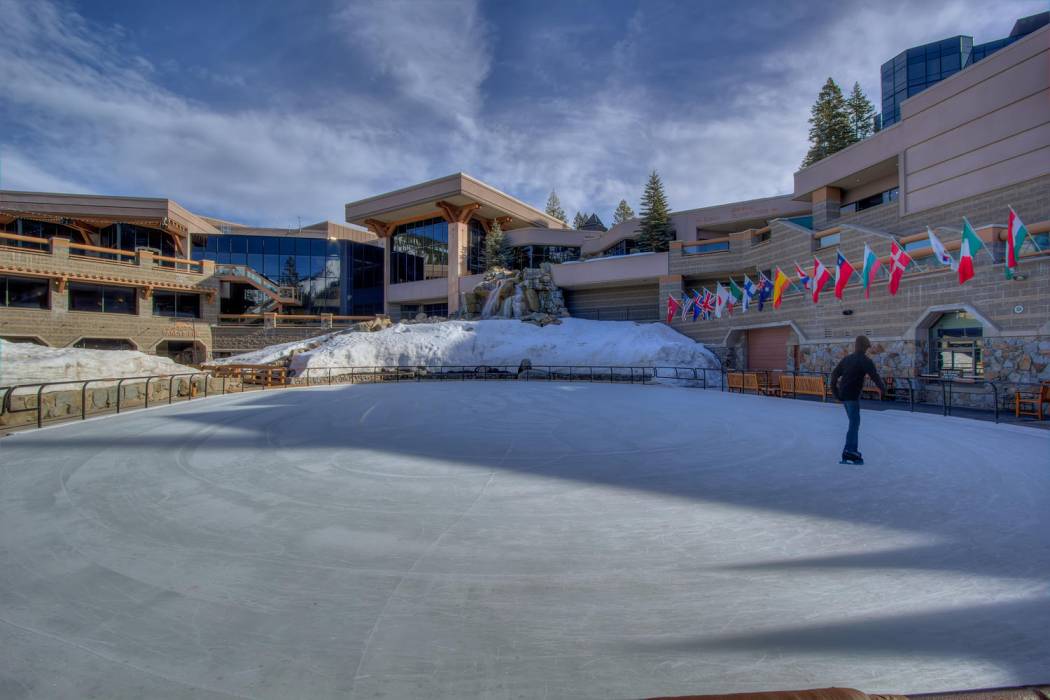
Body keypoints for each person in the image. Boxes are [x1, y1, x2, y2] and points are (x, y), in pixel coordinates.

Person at [829, 335, 886, 465]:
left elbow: (834, 375)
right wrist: (883, 389)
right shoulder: (865, 360)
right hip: (852, 396)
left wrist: (836, 393)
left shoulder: (847, 359)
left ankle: (851, 450)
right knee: (854, 424)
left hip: (844, 395)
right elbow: (875, 376)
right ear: (864, 347)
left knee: (853, 423)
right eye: (867, 347)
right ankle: (849, 451)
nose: (867, 349)